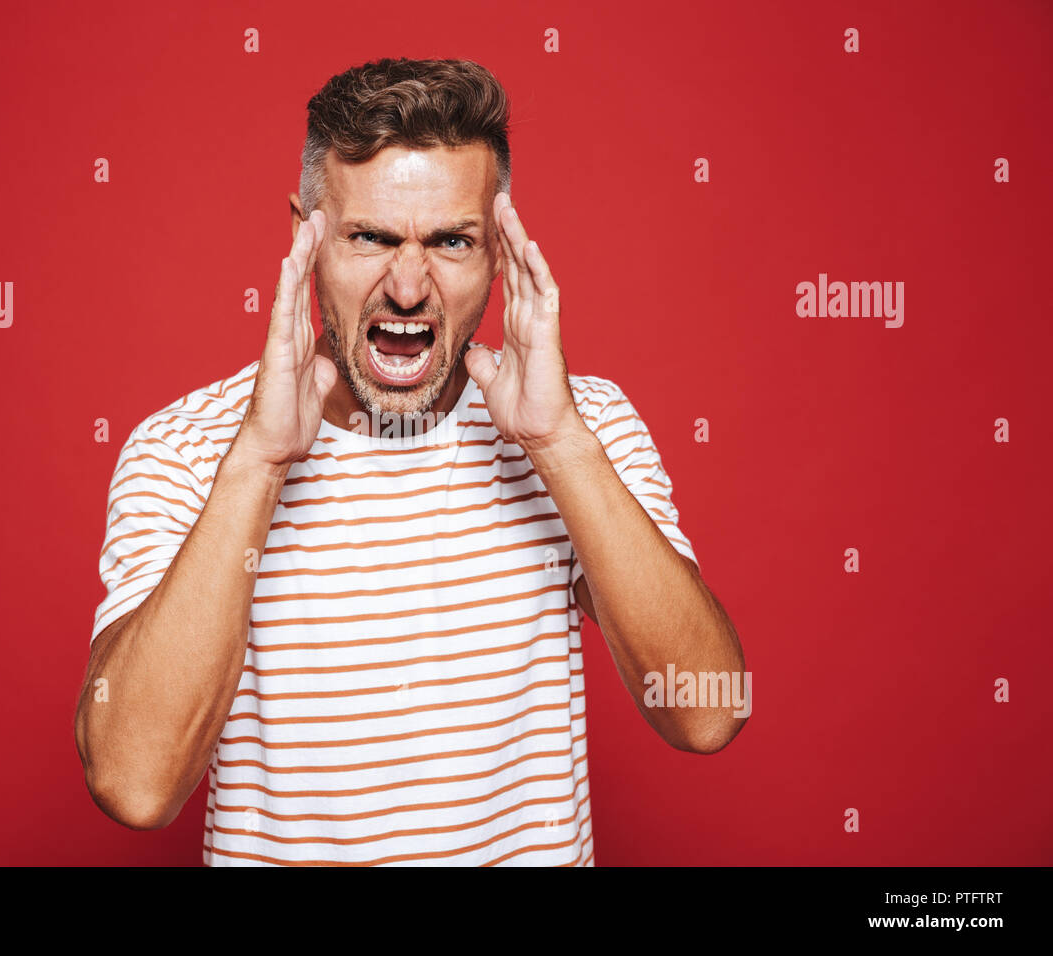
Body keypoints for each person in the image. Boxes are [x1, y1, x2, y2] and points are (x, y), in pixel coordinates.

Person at [75, 57, 746, 866]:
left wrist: (559, 446)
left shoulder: (580, 427)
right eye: (371, 237)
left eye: (451, 242)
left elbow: (708, 714)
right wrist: (257, 464)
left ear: (499, 252)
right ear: (305, 237)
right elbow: (135, 783)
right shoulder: (186, 452)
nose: (406, 286)